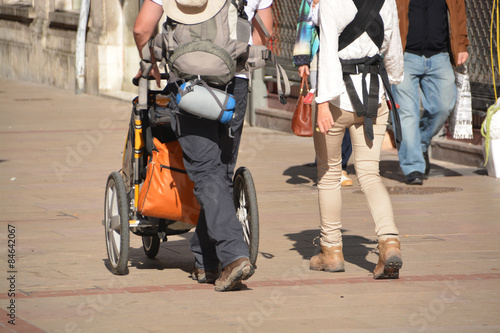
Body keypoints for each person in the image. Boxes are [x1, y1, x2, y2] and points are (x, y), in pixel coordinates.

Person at [133, 0, 272, 291]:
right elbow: (264, 31)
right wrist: (239, 61)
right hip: (234, 81)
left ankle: (232, 254)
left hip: (187, 84)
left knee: (207, 171)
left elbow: (142, 28)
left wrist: (151, 64)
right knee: (220, 171)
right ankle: (206, 260)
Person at [311, 0, 404, 279]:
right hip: (374, 97)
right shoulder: (387, 0)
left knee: (328, 175)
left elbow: (327, 52)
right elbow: (392, 46)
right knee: (370, 174)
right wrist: (395, 78)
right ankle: (389, 242)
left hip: (337, 97)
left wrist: (323, 104)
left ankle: (332, 251)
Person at [392, 0, 469, 185]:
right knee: (407, 114)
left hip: (440, 55)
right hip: (404, 55)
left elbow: (459, 11)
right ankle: (413, 167)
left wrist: (461, 44)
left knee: (444, 105)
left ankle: (419, 144)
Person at [292, 0, 353, 187]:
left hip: (351, 55)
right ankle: (327, 165)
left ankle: (340, 165)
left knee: (346, 110)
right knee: (323, 110)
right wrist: (302, 59)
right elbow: (305, 22)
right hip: (320, 55)